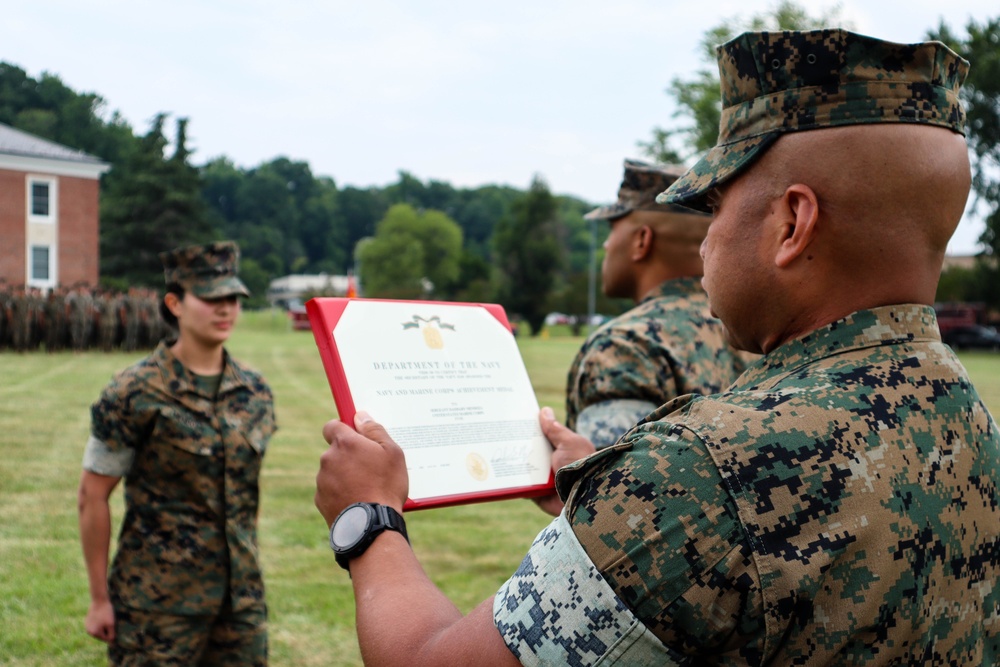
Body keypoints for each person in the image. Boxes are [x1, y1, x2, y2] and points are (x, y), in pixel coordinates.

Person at [314, 29, 999, 665]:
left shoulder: (697, 472)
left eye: (715, 204)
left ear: (792, 222)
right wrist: (612, 492)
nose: (703, 240)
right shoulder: (973, 423)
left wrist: (367, 517)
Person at [78, 241, 277, 665]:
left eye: (232, 299)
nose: (225, 309)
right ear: (176, 303)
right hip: (156, 604)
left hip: (240, 602)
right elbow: (92, 496)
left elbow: (242, 498)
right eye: (210, 299)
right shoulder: (134, 391)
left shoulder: (255, 391)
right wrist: (99, 599)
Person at [567, 158, 746, 449]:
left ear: (641, 240)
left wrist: (561, 494)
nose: (606, 244)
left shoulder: (626, 345)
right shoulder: (750, 329)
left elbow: (610, 490)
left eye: (613, 228)